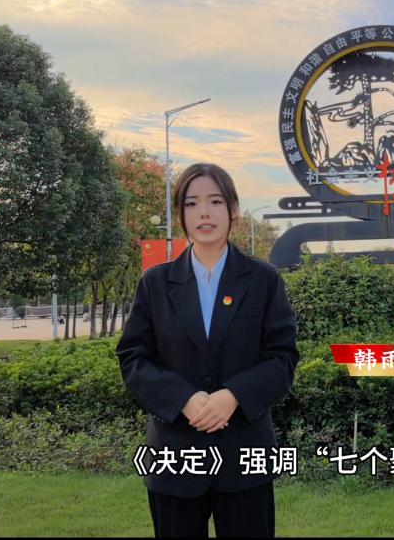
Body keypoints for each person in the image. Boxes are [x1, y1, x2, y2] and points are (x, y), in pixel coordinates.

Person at [116, 162, 299, 538]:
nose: (204, 212)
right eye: (191, 203)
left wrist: (233, 396)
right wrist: (183, 399)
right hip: (176, 456)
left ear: (233, 210)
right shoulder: (155, 283)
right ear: (180, 214)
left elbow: (282, 357)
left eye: (215, 201)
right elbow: (134, 357)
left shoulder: (263, 279)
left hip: (244, 454)